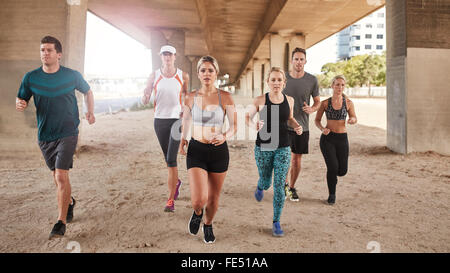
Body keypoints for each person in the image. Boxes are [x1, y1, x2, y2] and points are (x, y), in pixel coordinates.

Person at [15, 36, 95, 239]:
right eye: (42, 50)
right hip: (45, 135)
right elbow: (21, 97)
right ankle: (69, 202)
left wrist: (90, 111)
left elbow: (88, 91)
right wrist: (20, 104)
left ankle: (60, 222)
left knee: (61, 175)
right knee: (57, 177)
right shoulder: (31, 77)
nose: (45, 53)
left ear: (58, 54)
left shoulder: (71, 75)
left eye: (49, 50)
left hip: (68, 132)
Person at [179, 56, 237, 244]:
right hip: (196, 149)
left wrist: (225, 135)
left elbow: (234, 125)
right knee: (198, 200)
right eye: (203, 70)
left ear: (216, 73)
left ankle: (208, 224)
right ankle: (197, 212)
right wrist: (183, 139)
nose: (206, 74)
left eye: (210, 70)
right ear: (198, 73)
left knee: (212, 200)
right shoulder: (191, 97)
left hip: (219, 152)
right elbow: (186, 119)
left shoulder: (225, 97)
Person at [246, 67, 303, 237]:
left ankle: (276, 221)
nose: (276, 83)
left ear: (284, 83)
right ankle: (260, 186)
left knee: (279, 185)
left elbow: (290, 118)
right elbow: (247, 117)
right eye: (273, 80)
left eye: (279, 80)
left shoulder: (290, 100)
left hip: (283, 147)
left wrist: (296, 125)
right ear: (268, 82)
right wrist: (253, 125)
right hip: (263, 146)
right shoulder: (260, 100)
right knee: (266, 182)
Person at [142, 45, 189, 212]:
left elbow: (185, 94)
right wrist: (145, 97)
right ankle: (176, 182)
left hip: (176, 120)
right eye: (164, 55)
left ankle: (170, 200)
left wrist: (185, 107)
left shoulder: (183, 75)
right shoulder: (154, 75)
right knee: (167, 159)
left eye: (170, 54)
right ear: (160, 57)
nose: (167, 57)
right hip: (159, 121)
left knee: (171, 160)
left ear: (175, 56)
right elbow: (146, 92)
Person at [282, 47, 321, 202]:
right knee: (284, 158)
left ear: (305, 61)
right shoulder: (283, 77)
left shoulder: (312, 80)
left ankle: (291, 187)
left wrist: (312, 109)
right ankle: (283, 186)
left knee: (296, 159)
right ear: (291, 61)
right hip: (283, 125)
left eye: (301, 59)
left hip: (302, 126)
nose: (298, 62)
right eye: (296, 59)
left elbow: (317, 101)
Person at [314, 75, 357, 205]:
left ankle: (334, 177)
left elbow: (354, 117)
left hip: (342, 139)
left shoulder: (348, 103)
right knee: (332, 168)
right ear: (332, 86)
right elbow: (316, 120)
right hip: (328, 139)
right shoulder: (325, 103)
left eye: (342, 85)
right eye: (337, 84)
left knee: (342, 171)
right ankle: (331, 194)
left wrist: (352, 120)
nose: (340, 87)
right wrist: (322, 128)